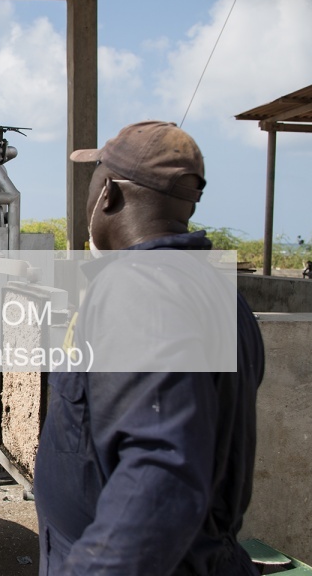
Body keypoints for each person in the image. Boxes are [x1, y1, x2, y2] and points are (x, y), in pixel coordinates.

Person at [34, 121, 265, 575]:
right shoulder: (218, 293)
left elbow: (159, 477)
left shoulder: (140, 291)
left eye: (95, 176)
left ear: (108, 194)